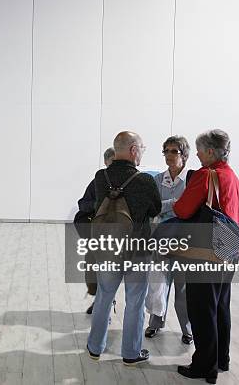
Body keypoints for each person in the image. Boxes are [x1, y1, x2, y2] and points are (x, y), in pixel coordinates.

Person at [174, 129, 239, 384]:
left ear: (211, 151)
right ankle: (221, 359)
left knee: (202, 309)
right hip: (230, 249)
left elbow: (183, 209)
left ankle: (204, 366)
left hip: (205, 253)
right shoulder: (232, 177)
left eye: (201, 151)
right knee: (220, 306)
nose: (199, 156)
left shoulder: (206, 175)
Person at [86, 131, 161, 366]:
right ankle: (130, 353)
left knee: (103, 297)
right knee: (134, 303)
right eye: (142, 148)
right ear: (133, 150)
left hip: (107, 249)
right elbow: (155, 209)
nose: (142, 153)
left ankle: (95, 347)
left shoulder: (101, 177)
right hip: (137, 251)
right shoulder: (144, 180)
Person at [145, 136, 193, 344]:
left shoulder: (191, 180)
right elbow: (154, 207)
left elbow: (191, 210)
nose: (169, 155)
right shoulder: (157, 180)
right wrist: (176, 204)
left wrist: (170, 207)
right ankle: (156, 323)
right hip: (161, 239)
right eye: (166, 151)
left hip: (183, 241)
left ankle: (187, 329)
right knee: (158, 283)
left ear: (184, 155)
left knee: (182, 287)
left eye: (174, 151)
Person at [74, 147, 115, 314]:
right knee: (93, 271)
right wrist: (99, 204)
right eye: (112, 162)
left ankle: (106, 303)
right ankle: (100, 299)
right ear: (106, 162)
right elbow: (82, 204)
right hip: (96, 233)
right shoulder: (97, 181)